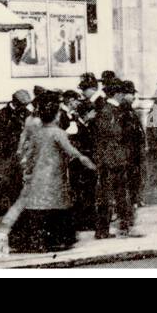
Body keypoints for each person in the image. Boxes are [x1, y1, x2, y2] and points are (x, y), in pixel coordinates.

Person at [7, 91, 97, 253]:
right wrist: (86, 160)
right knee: (57, 206)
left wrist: (28, 170)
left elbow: (29, 152)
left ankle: (29, 241)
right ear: (55, 116)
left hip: (38, 175)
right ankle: (57, 240)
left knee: (36, 207)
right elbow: (71, 151)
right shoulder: (58, 133)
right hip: (54, 176)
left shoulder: (38, 132)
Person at [92, 80, 140, 239]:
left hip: (111, 158)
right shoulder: (111, 111)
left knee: (114, 194)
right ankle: (106, 229)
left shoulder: (109, 110)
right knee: (112, 194)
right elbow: (116, 133)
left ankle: (115, 227)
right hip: (113, 158)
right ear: (118, 94)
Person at [0, 89, 32, 220]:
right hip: (7, 155)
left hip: (24, 155)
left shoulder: (26, 113)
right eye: (22, 105)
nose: (24, 108)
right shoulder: (2, 115)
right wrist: (15, 141)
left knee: (24, 184)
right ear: (15, 102)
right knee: (10, 184)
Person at [61, 89, 97, 232]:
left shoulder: (76, 120)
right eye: (76, 100)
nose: (77, 103)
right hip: (77, 162)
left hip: (80, 161)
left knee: (84, 192)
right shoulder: (69, 121)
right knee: (80, 191)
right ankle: (81, 221)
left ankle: (85, 220)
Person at [117, 81, 146, 208]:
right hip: (128, 148)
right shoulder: (123, 110)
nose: (134, 97)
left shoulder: (130, 109)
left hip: (133, 148)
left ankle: (134, 199)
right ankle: (131, 200)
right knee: (129, 174)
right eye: (131, 93)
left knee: (134, 174)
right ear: (124, 94)